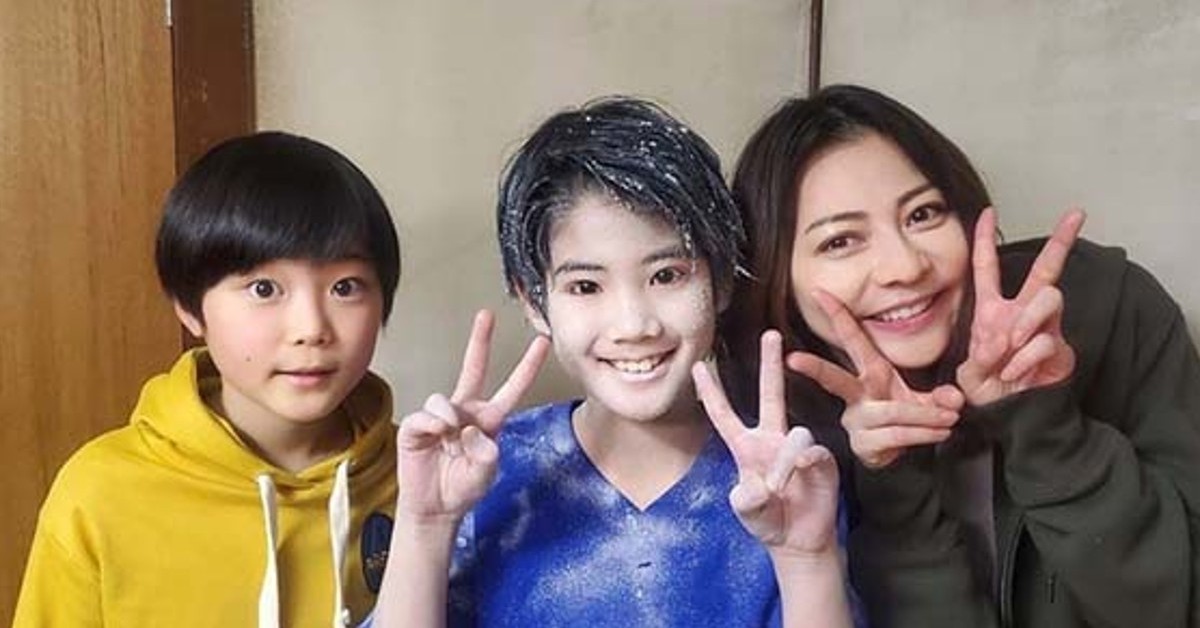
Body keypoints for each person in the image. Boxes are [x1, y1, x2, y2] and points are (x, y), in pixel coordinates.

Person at [369, 97, 862, 627]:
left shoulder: (782, 475)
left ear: (721, 279)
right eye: (586, 286)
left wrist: (807, 560)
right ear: (534, 301)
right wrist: (425, 525)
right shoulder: (481, 470)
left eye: (666, 275)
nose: (633, 325)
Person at [721, 82, 1200, 627]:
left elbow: (1175, 608)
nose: (905, 267)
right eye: (840, 241)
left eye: (923, 214)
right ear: (776, 276)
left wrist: (1045, 426)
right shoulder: (781, 427)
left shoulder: (1108, 309)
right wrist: (893, 481)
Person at [14, 132, 403, 628]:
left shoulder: (423, 482)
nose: (311, 329)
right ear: (189, 307)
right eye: (264, 289)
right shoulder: (101, 492)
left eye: (345, 287)